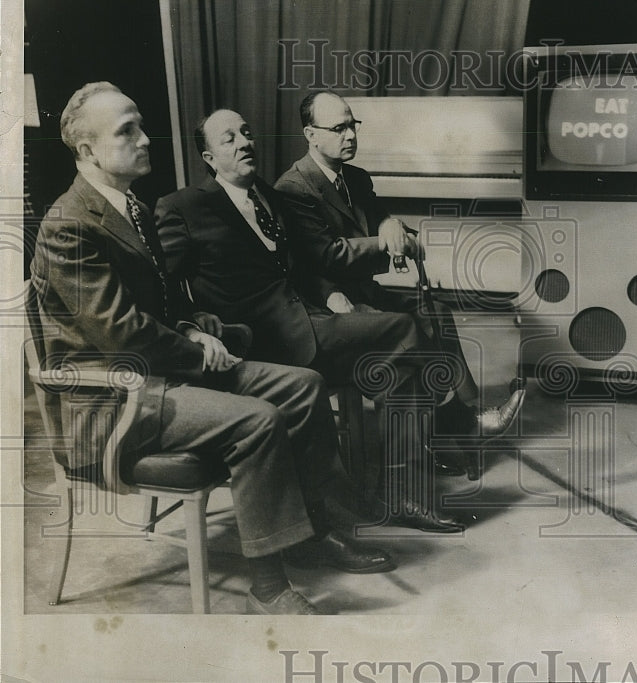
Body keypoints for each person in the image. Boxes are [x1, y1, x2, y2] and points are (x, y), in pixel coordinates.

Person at [30, 82, 394, 616]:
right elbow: (120, 333)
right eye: (126, 131)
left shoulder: (130, 205)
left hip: (159, 377)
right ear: (87, 151)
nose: (144, 138)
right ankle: (268, 586)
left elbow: (158, 303)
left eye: (140, 124)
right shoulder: (69, 224)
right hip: (111, 403)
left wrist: (194, 325)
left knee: (303, 386)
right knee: (258, 420)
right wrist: (196, 351)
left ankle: (319, 532)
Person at [154, 108, 519, 532]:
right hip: (263, 344)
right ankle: (455, 420)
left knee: (399, 366)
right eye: (229, 139)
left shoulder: (269, 196)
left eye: (247, 132)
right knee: (405, 328)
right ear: (209, 158)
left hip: (310, 322)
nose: (244, 143)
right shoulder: (185, 207)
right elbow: (161, 286)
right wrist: (192, 327)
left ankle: (403, 494)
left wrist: (331, 293)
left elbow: (306, 265)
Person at [274, 91, 524, 478]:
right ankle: (457, 425)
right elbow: (326, 256)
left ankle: (462, 417)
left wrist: (393, 225)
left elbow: (386, 222)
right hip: (323, 306)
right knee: (412, 332)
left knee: (435, 311)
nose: (350, 135)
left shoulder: (354, 177)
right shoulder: (294, 188)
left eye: (352, 125)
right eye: (338, 128)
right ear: (311, 134)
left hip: (361, 291)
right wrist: (384, 240)